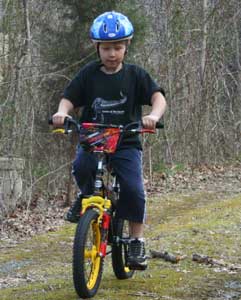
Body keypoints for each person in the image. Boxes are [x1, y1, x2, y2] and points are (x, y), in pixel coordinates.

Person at [52, 11, 167, 270]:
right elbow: (69, 97)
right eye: (106, 48)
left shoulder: (136, 75)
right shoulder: (88, 74)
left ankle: (136, 240)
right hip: (93, 139)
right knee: (82, 167)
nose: (112, 54)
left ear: (126, 47)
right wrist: (62, 112)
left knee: (133, 190)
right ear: (97, 48)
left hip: (126, 141)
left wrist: (153, 115)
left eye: (117, 47)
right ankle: (85, 197)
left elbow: (158, 97)